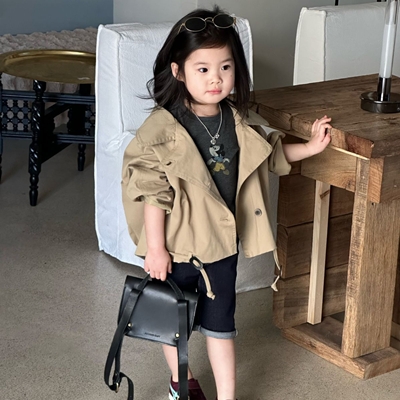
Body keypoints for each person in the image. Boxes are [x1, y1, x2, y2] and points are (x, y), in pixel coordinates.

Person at [121, 6, 331, 400]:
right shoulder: (162, 130)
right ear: (178, 71)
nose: (215, 78)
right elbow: (153, 193)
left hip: (220, 248)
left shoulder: (235, 120)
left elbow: (267, 154)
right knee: (172, 323)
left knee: (222, 326)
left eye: (225, 67)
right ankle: (181, 383)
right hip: (178, 249)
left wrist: (310, 147)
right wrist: (156, 249)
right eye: (202, 69)